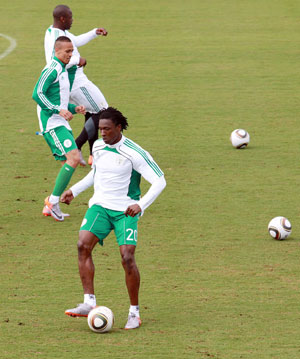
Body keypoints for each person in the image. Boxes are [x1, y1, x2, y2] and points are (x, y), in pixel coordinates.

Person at [61, 107, 166, 329]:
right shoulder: (98, 146)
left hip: (125, 211)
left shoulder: (134, 153)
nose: (102, 134)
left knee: (127, 257)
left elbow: (159, 180)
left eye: (107, 129)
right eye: (100, 129)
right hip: (100, 206)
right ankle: (89, 302)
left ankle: (134, 313)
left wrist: (141, 205)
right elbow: (96, 173)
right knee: (82, 245)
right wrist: (75, 190)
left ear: (119, 128)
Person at [44, 4, 109, 166]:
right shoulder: (55, 37)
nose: (73, 20)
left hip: (72, 80)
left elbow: (76, 41)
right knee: (102, 110)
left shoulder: (56, 32)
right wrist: (77, 60)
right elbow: (55, 58)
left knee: (92, 111)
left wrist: (94, 32)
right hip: (75, 82)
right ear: (62, 18)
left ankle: (93, 155)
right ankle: (77, 146)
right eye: (71, 18)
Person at [32, 36, 86, 222]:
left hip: (60, 122)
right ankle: (52, 201)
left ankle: (51, 205)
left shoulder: (62, 70)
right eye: (67, 51)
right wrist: (58, 110)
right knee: (73, 158)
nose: (70, 55)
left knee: (67, 164)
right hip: (51, 124)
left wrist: (73, 109)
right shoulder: (51, 69)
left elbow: (60, 101)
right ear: (56, 51)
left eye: (72, 51)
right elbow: (37, 93)